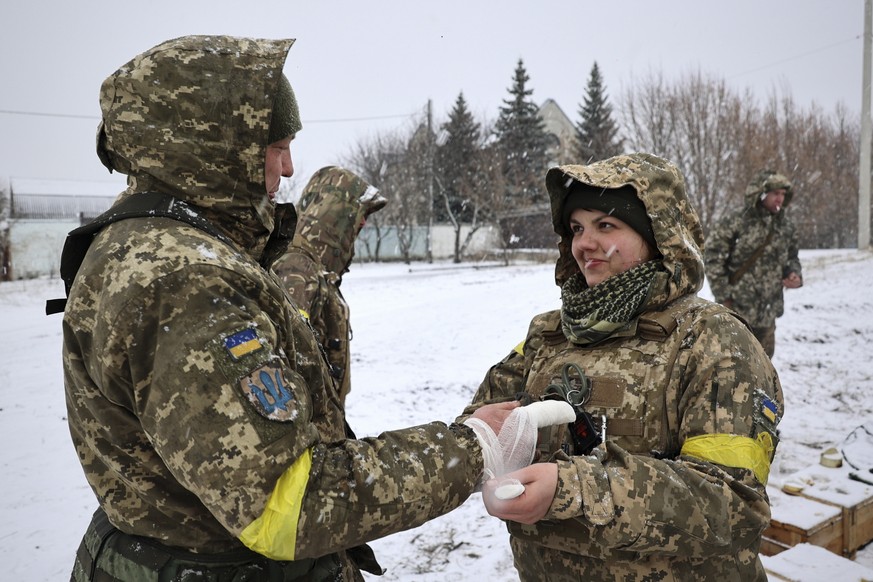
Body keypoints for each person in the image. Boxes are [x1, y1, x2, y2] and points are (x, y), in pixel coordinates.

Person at [58, 35, 528, 582]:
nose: (287, 167)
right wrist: (469, 447)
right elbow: (290, 503)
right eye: (274, 145)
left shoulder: (148, 244)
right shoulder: (188, 281)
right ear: (209, 149)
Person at [462, 153, 784, 580]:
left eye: (606, 226)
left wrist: (573, 490)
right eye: (577, 228)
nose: (584, 243)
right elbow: (478, 425)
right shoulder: (549, 334)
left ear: (657, 237)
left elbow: (732, 502)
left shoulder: (714, 341)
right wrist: (490, 444)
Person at [274, 166, 387, 408]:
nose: (364, 222)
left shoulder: (317, 267)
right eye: (358, 213)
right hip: (312, 431)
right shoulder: (297, 267)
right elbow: (290, 366)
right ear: (333, 211)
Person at [704, 169, 802, 357]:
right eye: (775, 193)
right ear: (762, 193)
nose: (779, 199)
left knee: (764, 370)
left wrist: (793, 274)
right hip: (736, 310)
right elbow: (712, 255)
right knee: (731, 368)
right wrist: (723, 295)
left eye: (783, 194)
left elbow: (792, 257)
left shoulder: (785, 226)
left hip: (768, 313)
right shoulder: (736, 220)